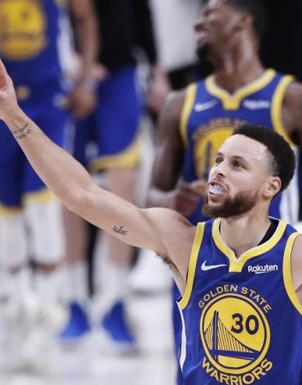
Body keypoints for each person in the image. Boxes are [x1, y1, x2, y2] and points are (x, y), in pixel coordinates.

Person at [0, 48, 302, 384]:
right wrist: (14, 116)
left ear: (272, 188)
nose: (217, 171)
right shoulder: (181, 240)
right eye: (219, 159)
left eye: (237, 164)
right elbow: (81, 193)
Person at [146, 0, 302, 380]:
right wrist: (172, 200)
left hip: (273, 269)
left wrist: (299, 240)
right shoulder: (179, 104)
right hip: (201, 265)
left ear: (242, 21)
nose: (198, 23)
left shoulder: (295, 100)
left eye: (210, 13)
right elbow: (153, 197)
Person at [0, 0, 98, 366]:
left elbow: (87, 20)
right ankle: (20, 306)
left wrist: (86, 77)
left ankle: (48, 309)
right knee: (6, 212)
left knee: (43, 208)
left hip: (48, 102)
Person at [59, 0, 170, 350]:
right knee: (65, 190)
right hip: (68, 75)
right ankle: (74, 301)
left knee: (122, 186)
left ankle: (115, 303)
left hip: (120, 71)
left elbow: (142, 13)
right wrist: (73, 64)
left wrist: (156, 69)